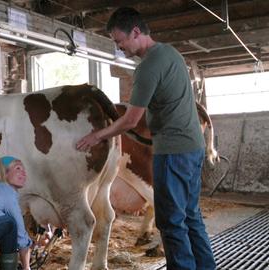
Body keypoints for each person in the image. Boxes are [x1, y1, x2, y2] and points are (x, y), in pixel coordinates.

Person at [76, 7, 216, 270]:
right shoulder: (171, 53)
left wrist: (98, 135)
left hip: (173, 151)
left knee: (171, 222)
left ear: (136, 32)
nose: (119, 48)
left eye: (120, 41)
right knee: (191, 216)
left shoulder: (148, 67)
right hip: (193, 146)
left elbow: (130, 120)